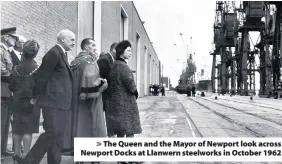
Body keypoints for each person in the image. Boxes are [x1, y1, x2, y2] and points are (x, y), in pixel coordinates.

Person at [20, 29, 75, 164]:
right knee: (52, 133)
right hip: (53, 103)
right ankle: (29, 161)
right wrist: (34, 96)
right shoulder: (53, 53)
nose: (74, 42)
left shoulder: (62, 54)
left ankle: (54, 161)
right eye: (71, 39)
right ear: (62, 39)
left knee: (57, 137)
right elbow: (41, 77)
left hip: (61, 103)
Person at [63, 38, 108, 164]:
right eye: (93, 45)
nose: (95, 47)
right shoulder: (90, 61)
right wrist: (103, 84)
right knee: (91, 123)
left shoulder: (74, 61)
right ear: (86, 47)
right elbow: (92, 83)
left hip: (75, 99)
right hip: (89, 99)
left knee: (78, 123)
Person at [8, 40, 41, 163]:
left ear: (24, 52)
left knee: (17, 129)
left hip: (17, 101)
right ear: (35, 53)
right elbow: (39, 86)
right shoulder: (37, 68)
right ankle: (26, 155)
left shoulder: (16, 68)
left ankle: (16, 154)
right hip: (32, 102)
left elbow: (11, 86)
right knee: (28, 130)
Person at [1, 27, 17, 159]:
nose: (15, 40)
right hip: (2, 90)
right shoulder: (0, 50)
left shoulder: (6, 51)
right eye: (13, 37)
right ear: (5, 37)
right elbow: (3, 71)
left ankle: (2, 149)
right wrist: (16, 77)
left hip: (7, 91)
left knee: (5, 123)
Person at [97, 42, 117, 116]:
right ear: (114, 50)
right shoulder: (105, 60)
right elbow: (103, 80)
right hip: (105, 98)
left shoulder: (109, 59)